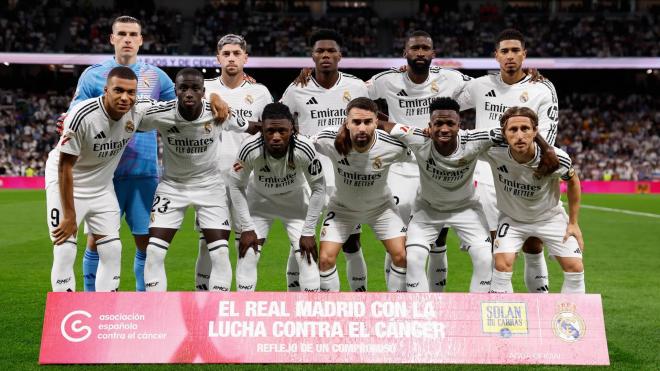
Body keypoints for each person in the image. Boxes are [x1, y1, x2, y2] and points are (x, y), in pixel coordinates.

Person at [63, 16, 176, 292]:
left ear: (140, 39)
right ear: (112, 38)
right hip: (103, 174)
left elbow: (180, 109)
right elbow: (75, 114)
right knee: (97, 241)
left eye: (133, 34)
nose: (127, 39)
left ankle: (141, 301)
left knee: (144, 241)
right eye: (122, 34)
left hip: (143, 171)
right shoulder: (93, 75)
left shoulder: (157, 76)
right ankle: (93, 300)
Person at [367, 30, 473, 291]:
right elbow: (350, 93)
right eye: (415, 49)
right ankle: (397, 300)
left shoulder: (451, 78)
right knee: (398, 239)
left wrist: (527, 80)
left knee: (438, 240)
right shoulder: (387, 80)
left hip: (437, 168)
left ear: (433, 54)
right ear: (405, 53)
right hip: (401, 166)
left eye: (425, 48)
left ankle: (436, 302)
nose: (420, 53)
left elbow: (487, 89)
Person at [463, 28, 559, 293]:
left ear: (524, 55)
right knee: (499, 245)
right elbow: (444, 99)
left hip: (527, 175)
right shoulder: (480, 86)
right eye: (504, 51)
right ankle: (501, 306)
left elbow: (549, 131)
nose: (510, 56)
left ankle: (539, 303)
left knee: (533, 244)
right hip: (489, 176)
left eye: (515, 50)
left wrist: (534, 160)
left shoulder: (541, 88)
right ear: (496, 56)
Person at [46, 67, 157, 292]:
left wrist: (213, 98)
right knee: (65, 248)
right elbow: (65, 167)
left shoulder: (139, 110)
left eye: (131, 92)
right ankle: (65, 311)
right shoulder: (81, 116)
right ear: (106, 90)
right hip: (67, 183)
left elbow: (177, 107)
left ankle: (105, 309)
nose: (125, 97)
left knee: (113, 249)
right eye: (118, 91)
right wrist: (69, 215)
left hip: (102, 188)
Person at [140, 68, 246, 292]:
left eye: (195, 88)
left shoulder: (218, 112)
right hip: (172, 186)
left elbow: (254, 127)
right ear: (176, 91)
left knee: (220, 252)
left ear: (203, 92)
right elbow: (127, 122)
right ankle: (157, 310)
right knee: (154, 251)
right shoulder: (160, 113)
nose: (189, 93)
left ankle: (217, 310)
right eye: (184, 88)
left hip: (210, 187)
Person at [281, 29, 370, 292]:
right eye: (320, 51)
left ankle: (359, 298)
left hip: (346, 176)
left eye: (331, 50)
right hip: (308, 177)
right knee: (300, 241)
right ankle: (297, 298)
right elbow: (278, 121)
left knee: (351, 242)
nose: (326, 55)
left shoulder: (355, 86)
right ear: (312, 55)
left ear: (340, 55)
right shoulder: (296, 89)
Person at [379, 97, 498, 292]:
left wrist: (544, 148)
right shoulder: (417, 137)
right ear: (429, 125)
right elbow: (381, 123)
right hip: (428, 209)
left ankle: (476, 315)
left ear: (459, 125)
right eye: (438, 124)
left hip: (466, 208)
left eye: (450, 123)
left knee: (485, 258)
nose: (444, 129)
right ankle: (422, 316)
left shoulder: (475, 140)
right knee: (414, 257)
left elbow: (513, 128)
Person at [195, 34, 274, 291]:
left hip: (248, 181)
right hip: (210, 179)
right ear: (218, 58)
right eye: (226, 53)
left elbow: (272, 130)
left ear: (245, 58)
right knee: (208, 245)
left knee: (247, 244)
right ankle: (203, 301)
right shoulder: (203, 88)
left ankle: (241, 303)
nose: (231, 58)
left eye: (236, 53)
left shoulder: (259, 92)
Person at [312, 97, 409, 292]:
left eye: (367, 122)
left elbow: (423, 156)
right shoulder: (328, 139)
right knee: (324, 259)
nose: (362, 128)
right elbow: (301, 145)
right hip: (342, 209)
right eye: (356, 122)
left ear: (376, 122)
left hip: (381, 209)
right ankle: (331, 314)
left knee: (402, 257)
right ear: (347, 122)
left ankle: (396, 313)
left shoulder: (393, 145)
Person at [483, 107, 585, 293]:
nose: (520, 135)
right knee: (502, 265)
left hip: (550, 218)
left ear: (535, 131)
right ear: (504, 133)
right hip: (512, 220)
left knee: (575, 268)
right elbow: (462, 142)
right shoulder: (493, 152)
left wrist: (573, 223)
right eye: (513, 130)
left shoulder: (556, 158)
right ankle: (503, 321)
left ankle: (568, 320)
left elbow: (573, 182)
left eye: (525, 128)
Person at [228, 103, 325, 292]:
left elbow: (319, 188)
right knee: (247, 254)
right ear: (261, 129)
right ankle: (244, 313)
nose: (276, 137)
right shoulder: (249, 147)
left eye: (282, 131)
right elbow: (235, 185)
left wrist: (309, 230)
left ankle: (308, 316)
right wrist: (247, 227)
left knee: (308, 258)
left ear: (292, 129)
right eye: (270, 131)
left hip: (295, 202)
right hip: (260, 203)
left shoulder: (304, 147)